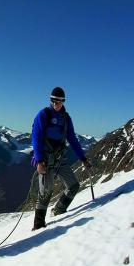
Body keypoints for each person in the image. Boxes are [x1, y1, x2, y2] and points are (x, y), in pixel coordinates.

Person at [31, 87, 93, 230]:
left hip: (59, 158)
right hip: (45, 160)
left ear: (63, 101)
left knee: (73, 185)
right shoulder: (43, 114)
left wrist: (83, 159)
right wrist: (39, 160)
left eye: (60, 101)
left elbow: (72, 139)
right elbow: (36, 137)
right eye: (54, 100)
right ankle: (38, 225)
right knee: (46, 191)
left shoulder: (66, 118)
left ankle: (59, 210)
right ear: (50, 100)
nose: (56, 104)